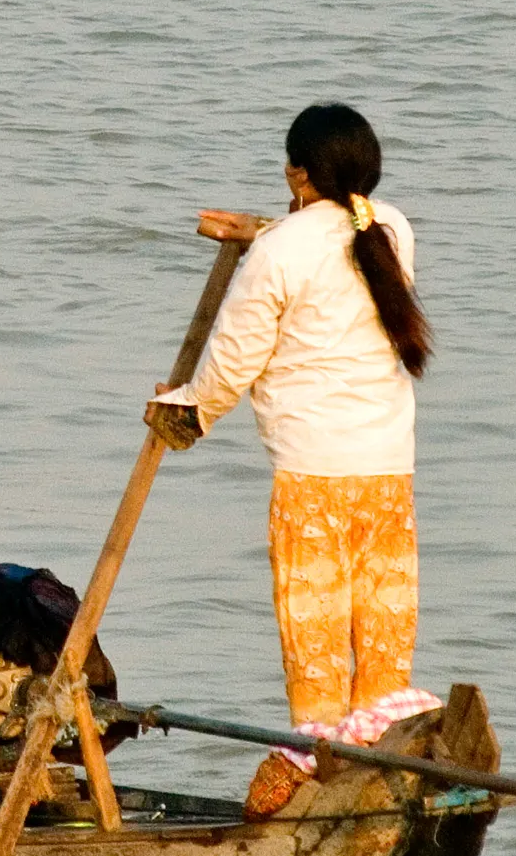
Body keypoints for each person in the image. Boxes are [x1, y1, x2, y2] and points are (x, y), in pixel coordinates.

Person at [148, 103, 435, 782]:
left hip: (312, 476)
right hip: (386, 471)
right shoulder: (388, 226)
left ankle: (315, 764)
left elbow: (231, 361)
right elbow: (330, 244)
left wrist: (182, 413)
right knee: (381, 640)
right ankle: (376, 757)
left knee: (315, 643)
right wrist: (266, 229)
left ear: (297, 173)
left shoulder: (282, 251)